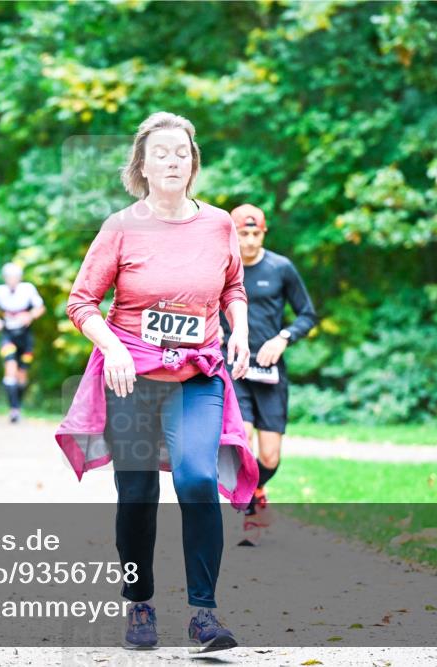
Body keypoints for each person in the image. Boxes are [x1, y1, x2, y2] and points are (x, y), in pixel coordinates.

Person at [54, 112, 259, 654]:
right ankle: (140, 603)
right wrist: (114, 347)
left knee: (195, 479)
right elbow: (81, 303)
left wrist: (240, 332)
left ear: (193, 163)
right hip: (132, 378)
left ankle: (203, 614)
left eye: (182, 152)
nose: (173, 160)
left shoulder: (218, 225)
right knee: (139, 491)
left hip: (197, 375)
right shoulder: (121, 226)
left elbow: (233, 287)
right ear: (142, 165)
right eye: (161, 152)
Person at [222, 204, 317, 543]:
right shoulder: (221, 267)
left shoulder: (281, 268)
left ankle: (257, 488)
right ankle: (248, 511)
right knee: (240, 439)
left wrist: (283, 338)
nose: (248, 241)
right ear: (232, 233)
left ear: (264, 232)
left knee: (270, 456)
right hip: (234, 368)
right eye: (242, 234)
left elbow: (307, 314)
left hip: (271, 373)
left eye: (255, 234)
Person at [0, 262, 45, 422]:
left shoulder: (28, 289)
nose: (11, 280)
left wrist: (30, 316)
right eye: (8, 277)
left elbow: (40, 308)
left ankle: (18, 406)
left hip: (25, 336)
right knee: (10, 368)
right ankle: (13, 409)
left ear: (19, 278)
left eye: (14, 277)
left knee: (22, 375)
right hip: (8, 335)